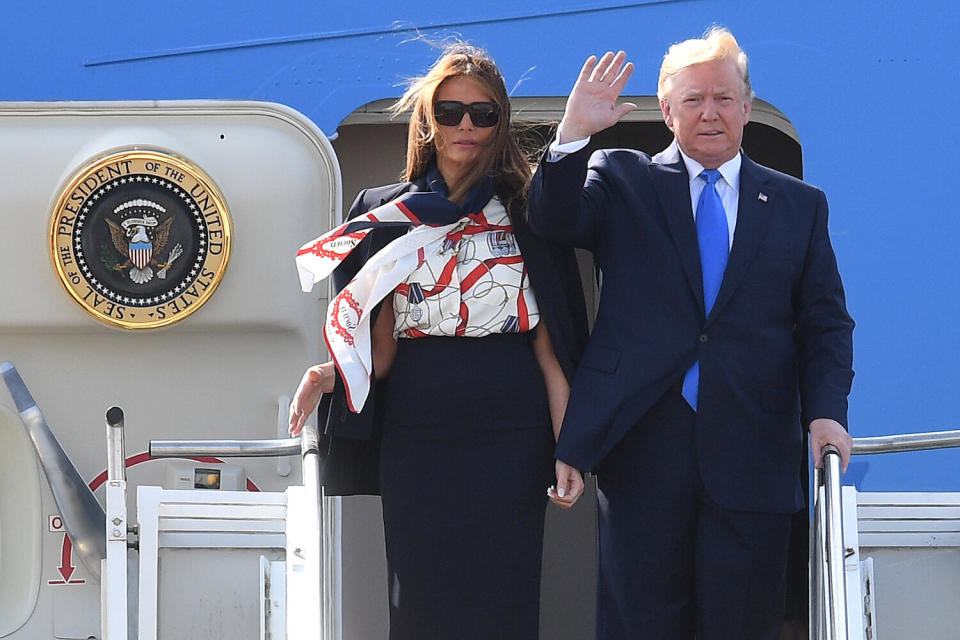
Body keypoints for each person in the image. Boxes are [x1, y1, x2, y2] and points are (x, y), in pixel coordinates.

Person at [527, 28, 855, 639]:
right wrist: (571, 135)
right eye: (694, 99)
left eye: (724, 98)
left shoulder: (798, 205)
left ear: (748, 108)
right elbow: (552, 218)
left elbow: (825, 322)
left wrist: (827, 413)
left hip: (754, 452)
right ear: (668, 109)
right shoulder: (621, 179)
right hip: (644, 449)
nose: (710, 112)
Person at [289, 44, 588, 639]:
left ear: (501, 123)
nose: (466, 126)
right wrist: (329, 373)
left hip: (512, 433)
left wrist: (570, 445)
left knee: (504, 595)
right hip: (417, 432)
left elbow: (550, 349)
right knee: (420, 598)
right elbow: (380, 345)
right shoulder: (384, 213)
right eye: (450, 112)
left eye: (483, 114)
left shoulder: (529, 212)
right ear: (426, 119)